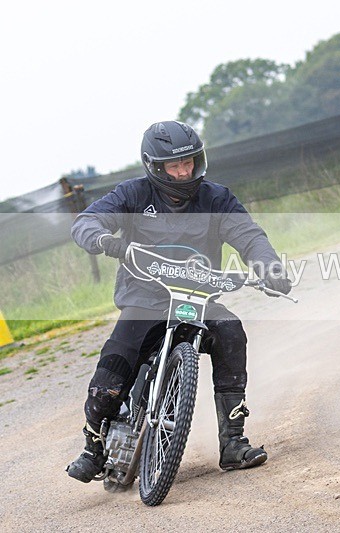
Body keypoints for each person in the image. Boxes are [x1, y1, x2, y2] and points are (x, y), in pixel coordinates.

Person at [67, 120, 292, 482]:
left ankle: (233, 442)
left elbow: (249, 235)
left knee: (231, 330)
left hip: (197, 297)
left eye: (189, 162)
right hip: (145, 299)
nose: (184, 172)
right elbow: (87, 221)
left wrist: (269, 266)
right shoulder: (133, 194)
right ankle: (93, 445)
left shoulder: (217, 198)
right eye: (174, 166)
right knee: (112, 371)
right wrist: (105, 240)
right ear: (154, 167)